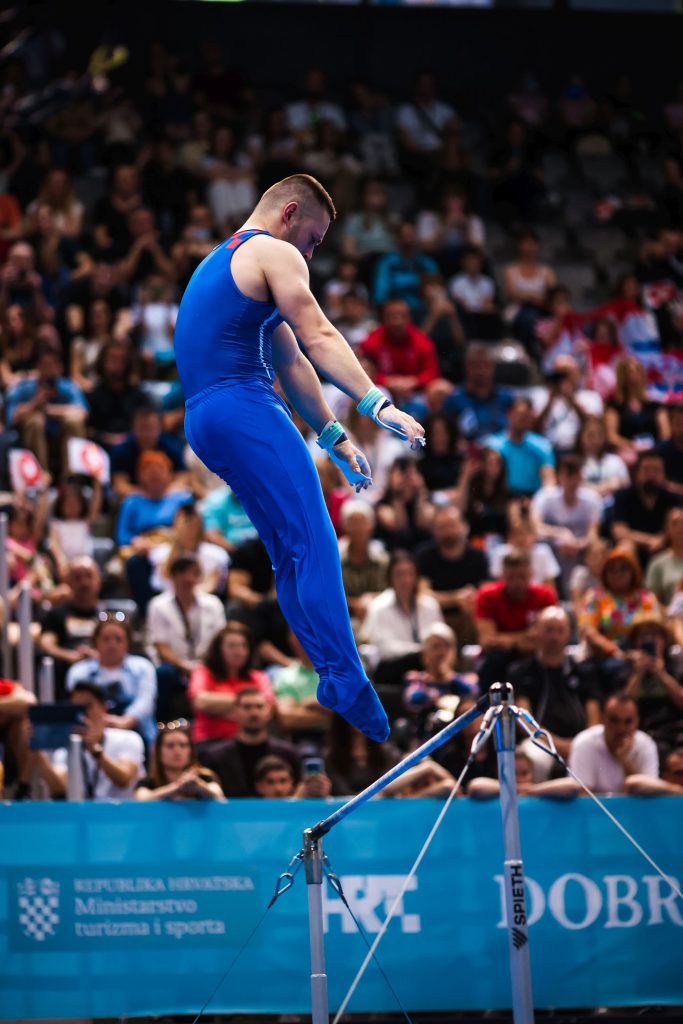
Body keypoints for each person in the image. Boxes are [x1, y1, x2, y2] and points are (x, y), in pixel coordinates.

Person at [174, 173, 425, 743]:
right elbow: (320, 334)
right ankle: (347, 676)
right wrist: (377, 403)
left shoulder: (223, 261)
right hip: (242, 403)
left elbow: (291, 361)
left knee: (290, 552)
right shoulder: (272, 251)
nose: (310, 254)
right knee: (315, 540)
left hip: (205, 417)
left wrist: (336, 437)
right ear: (289, 214)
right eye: (313, 240)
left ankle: (331, 671)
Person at [509, 607, 601, 773]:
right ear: (537, 631)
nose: (554, 637)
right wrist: (558, 745)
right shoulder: (521, 672)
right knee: (533, 756)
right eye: (549, 630)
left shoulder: (583, 671)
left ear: (569, 634)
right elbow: (524, 721)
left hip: (580, 741)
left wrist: (580, 743)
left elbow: (594, 718)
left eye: (560, 631)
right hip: (540, 741)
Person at [146, 555, 227, 723]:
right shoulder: (158, 605)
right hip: (175, 666)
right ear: (172, 576)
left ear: (200, 577)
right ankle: (162, 724)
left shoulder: (213, 604)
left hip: (208, 663)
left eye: (194, 573)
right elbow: (161, 647)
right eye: (182, 573)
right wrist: (187, 667)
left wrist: (203, 666)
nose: (188, 578)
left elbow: (220, 641)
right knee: (164, 673)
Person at [65, 613, 158, 748]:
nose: (112, 644)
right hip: (90, 730)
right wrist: (99, 723)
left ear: (128, 643)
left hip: (136, 731)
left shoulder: (143, 667)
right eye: (106, 639)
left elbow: (145, 702)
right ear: (95, 642)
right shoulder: (79, 671)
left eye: (118, 639)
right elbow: (76, 705)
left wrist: (125, 721)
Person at [46, 682, 145, 800]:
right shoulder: (65, 748)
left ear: (104, 708)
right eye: (76, 708)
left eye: (88, 706)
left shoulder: (128, 739)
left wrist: (94, 749)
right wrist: (36, 751)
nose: (82, 714)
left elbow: (124, 779)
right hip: (83, 811)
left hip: (123, 810)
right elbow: (60, 788)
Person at [475, 549, 557, 689]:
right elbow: (487, 641)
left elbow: (548, 638)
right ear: (502, 575)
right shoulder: (487, 595)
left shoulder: (545, 596)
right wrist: (526, 637)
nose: (517, 582)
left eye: (522, 576)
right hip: (499, 661)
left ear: (531, 574)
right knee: (492, 661)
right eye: (511, 577)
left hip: (534, 658)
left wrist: (506, 640)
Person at [199, 687, 300, 797]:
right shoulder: (215, 757)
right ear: (234, 712)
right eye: (247, 707)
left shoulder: (289, 754)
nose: (254, 713)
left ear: (269, 712)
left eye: (259, 706)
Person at [5, 344, 88, 474]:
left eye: (53, 364)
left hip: (60, 439)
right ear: (38, 366)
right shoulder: (24, 387)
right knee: (34, 421)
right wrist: (34, 403)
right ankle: (39, 477)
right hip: (29, 440)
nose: (49, 369)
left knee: (74, 420)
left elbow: (82, 412)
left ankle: (72, 479)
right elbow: (11, 418)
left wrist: (49, 410)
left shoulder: (69, 387)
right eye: (45, 364)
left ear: (60, 367)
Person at [188, 621, 274, 746]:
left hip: (250, 741)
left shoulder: (259, 676)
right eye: (231, 646)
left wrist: (217, 709)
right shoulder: (203, 673)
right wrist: (248, 706)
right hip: (210, 741)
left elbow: (268, 707)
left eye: (243, 646)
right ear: (219, 649)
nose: (238, 652)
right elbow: (201, 702)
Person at [416, 505, 489, 647]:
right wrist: (456, 598)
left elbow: (485, 593)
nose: (448, 532)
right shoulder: (424, 556)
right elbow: (422, 594)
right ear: (434, 531)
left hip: (469, 617)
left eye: (452, 525)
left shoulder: (478, 557)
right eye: (442, 527)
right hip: (435, 619)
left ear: (464, 527)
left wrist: (470, 599)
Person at [361, 550, 443, 668]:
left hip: (428, 666)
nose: (406, 580)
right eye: (400, 574)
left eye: (410, 574)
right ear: (390, 578)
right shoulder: (378, 607)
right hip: (394, 667)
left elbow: (442, 636)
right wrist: (420, 650)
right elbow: (383, 649)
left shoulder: (430, 605)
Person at [568, 692, 659, 795]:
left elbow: (651, 796)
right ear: (602, 718)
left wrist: (625, 761)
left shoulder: (646, 745)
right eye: (614, 720)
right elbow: (581, 795)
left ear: (637, 721)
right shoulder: (584, 743)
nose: (621, 729)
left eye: (628, 722)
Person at [359, 297, 441, 409]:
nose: (397, 321)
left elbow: (432, 372)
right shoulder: (371, 341)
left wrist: (413, 382)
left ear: (409, 318)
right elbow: (363, 371)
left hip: (416, 391)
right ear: (384, 318)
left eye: (402, 316)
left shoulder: (422, 342)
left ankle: (435, 420)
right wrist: (387, 381)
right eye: (392, 316)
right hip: (382, 391)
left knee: (440, 388)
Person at [39, 556, 102, 698]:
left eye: (88, 576)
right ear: (68, 582)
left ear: (98, 580)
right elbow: (46, 645)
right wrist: (71, 656)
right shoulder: (56, 614)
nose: (84, 583)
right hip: (66, 672)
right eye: (77, 578)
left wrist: (100, 657)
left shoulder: (109, 616)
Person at [608, 450, 682, 565]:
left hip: (667, 549)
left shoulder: (674, 499)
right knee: (625, 547)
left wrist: (662, 539)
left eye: (656, 470)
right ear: (637, 473)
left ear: (664, 474)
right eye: (646, 470)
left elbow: (679, 527)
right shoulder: (623, 496)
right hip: (635, 549)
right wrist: (648, 541)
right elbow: (619, 531)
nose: (651, 475)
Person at [135, 720, 224, 801]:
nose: (177, 751)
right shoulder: (148, 781)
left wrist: (198, 785)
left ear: (191, 751)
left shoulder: (205, 777)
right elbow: (141, 799)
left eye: (183, 745)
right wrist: (177, 786)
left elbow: (219, 797)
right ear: (158, 751)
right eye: (170, 746)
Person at [487, 397, 555, 497]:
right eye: (520, 415)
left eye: (527, 416)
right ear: (508, 414)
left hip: (532, 497)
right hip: (500, 497)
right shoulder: (493, 445)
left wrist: (547, 498)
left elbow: (549, 480)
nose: (523, 419)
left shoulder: (542, 446)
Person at [443, 344, 513, 441]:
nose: (481, 371)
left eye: (486, 365)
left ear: (493, 367)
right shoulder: (454, 399)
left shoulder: (506, 397)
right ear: (467, 367)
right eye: (476, 365)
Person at [338, 499, 388, 624]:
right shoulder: (335, 559)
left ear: (371, 525)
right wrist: (355, 605)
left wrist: (372, 599)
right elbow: (328, 594)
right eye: (353, 523)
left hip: (378, 619)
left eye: (362, 522)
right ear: (344, 526)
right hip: (344, 619)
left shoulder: (382, 559)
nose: (358, 528)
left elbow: (391, 591)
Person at [645, 506, 683, 605]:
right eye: (675, 523)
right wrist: (670, 611)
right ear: (667, 529)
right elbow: (651, 602)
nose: (680, 528)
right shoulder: (657, 563)